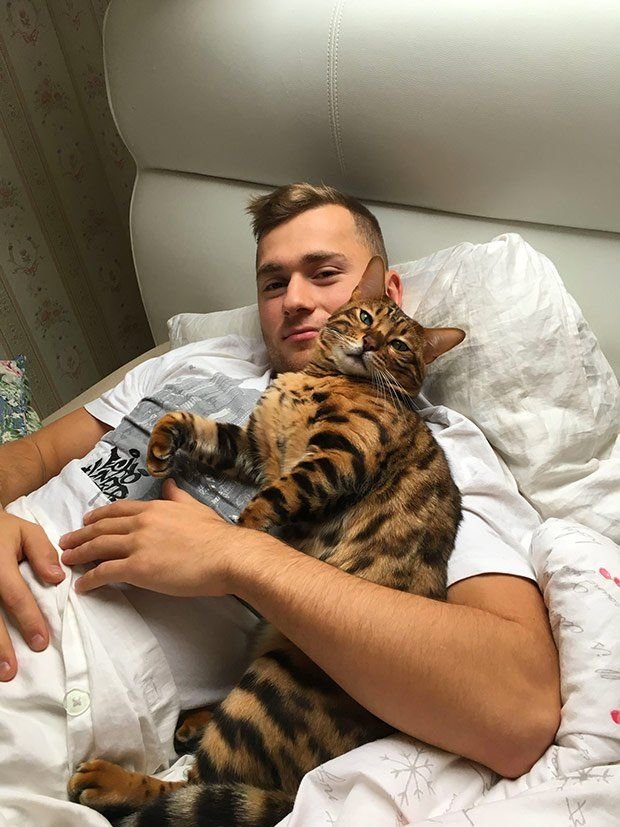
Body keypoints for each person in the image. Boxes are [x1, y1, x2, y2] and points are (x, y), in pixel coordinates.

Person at [0, 184, 560, 822]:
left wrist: (234, 554)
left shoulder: (436, 447)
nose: (294, 300)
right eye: (273, 283)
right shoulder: (191, 361)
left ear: (385, 291)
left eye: (324, 274)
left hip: (51, 666)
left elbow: (519, 709)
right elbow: (33, 455)